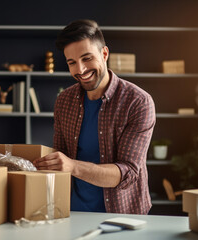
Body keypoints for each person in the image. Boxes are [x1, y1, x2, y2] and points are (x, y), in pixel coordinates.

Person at [33, 19, 156, 214]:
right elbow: (61, 156)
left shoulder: (138, 102)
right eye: (72, 63)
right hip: (72, 213)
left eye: (87, 58)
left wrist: (72, 166)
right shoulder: (64, 101)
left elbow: (128, 173)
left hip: (122, 216)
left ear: (104, 54)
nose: (80, 70)